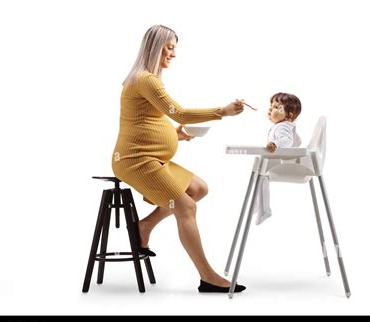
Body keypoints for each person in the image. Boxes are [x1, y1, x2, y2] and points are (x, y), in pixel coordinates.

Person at [112, 25, 246, 293]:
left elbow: (145, 117)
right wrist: (223, 111)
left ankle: (143, 227)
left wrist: (170, 134)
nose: (173, 53)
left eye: (175, 48)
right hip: (136, 160)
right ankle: (208, 277)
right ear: (155, 46)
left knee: (198, 188)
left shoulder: (145, 79)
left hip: (150, 157)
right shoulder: (145, 79)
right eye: (169, 47)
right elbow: (180, 113)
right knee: (185, 207)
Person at [254, 92, 302, 225]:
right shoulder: (283, 126)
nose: (271, 109)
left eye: (276, 107)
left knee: (261, 177)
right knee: (260, 177)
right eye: (271, 106)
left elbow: (287, 141)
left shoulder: (283, 126)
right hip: (279, 161)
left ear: (289, 115)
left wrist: (275, 144)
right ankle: (259, 206)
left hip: (282, 162)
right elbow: (298, 140)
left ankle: (263, 209)